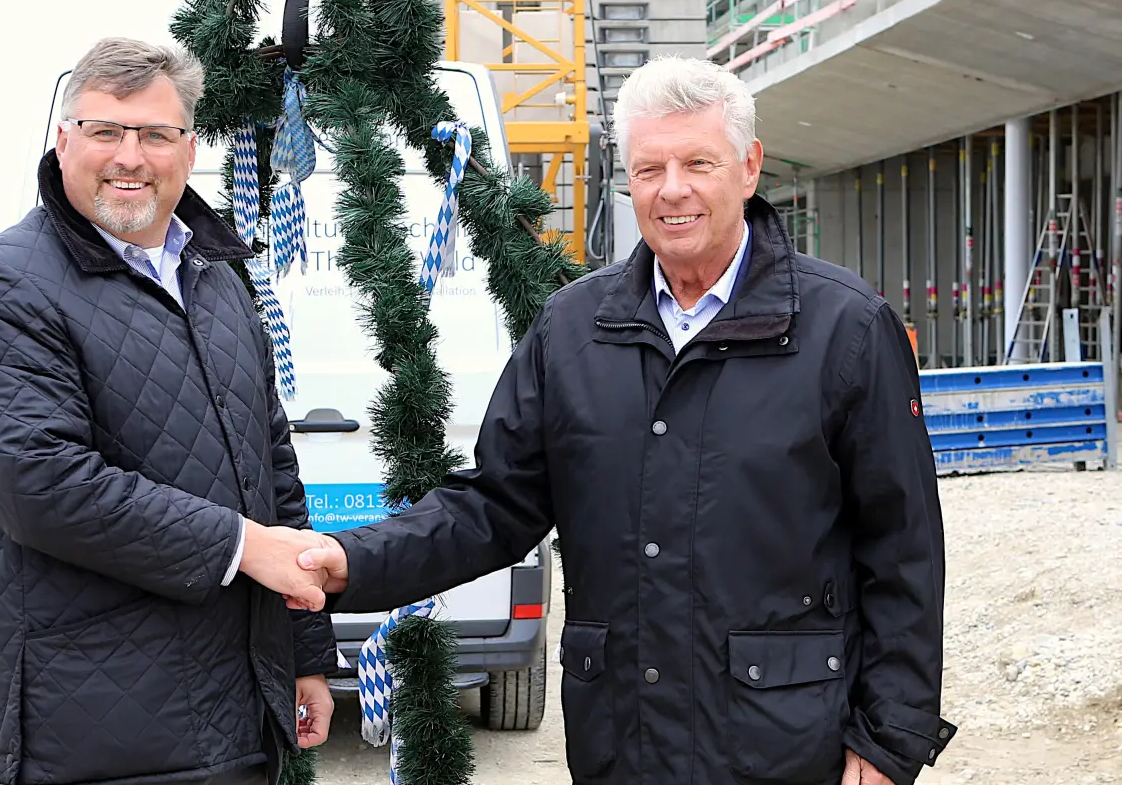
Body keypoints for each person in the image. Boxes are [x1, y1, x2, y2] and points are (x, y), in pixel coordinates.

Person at [284, 55, 957, 784]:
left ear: (749, 167)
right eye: (649, 169)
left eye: (698, 163)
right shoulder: (573, 329)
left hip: (789, 748)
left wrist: (888, 742)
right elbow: (494, 505)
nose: (673, 190)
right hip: (622, 745)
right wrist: (354, 560)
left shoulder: (845, 330)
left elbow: (904, 551)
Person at [0, 36, 342, 785]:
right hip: (92, 732)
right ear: (64, 141)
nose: (130, 156)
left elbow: (273, 471)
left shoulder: (215, 277)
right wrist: (240, 545)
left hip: (235, 716)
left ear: (189, 148)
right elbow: (42, 486)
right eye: (105, 131)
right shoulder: (5, 287)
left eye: (156, 134)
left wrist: (306, 653)